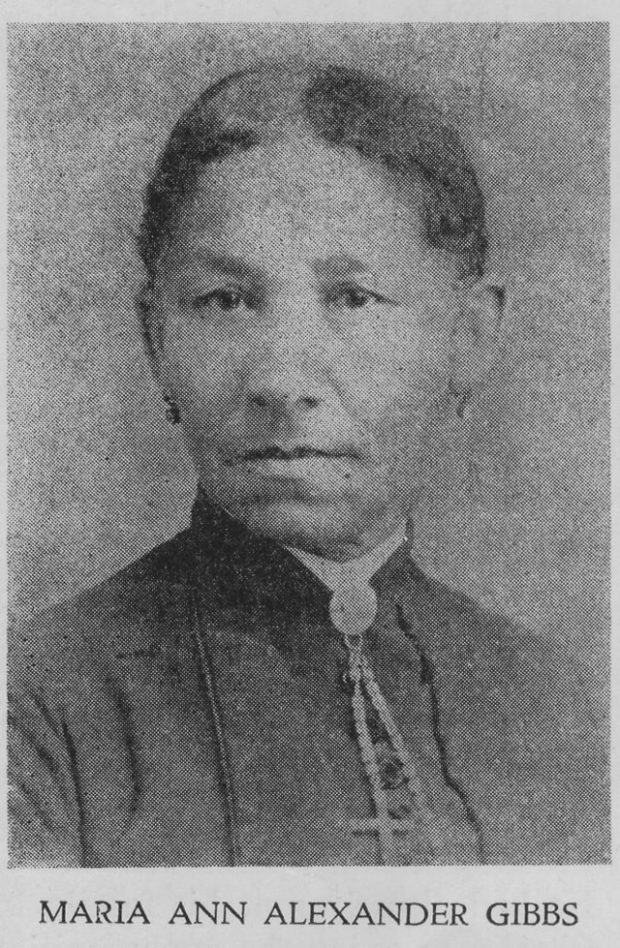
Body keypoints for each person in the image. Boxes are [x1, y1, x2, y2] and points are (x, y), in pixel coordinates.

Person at [8, 62, 608, 867]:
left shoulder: (564, 708)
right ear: (155, 339)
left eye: (352, 297)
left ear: (469, 337)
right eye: (226, 299)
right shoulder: (42, 704)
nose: (283, 382)